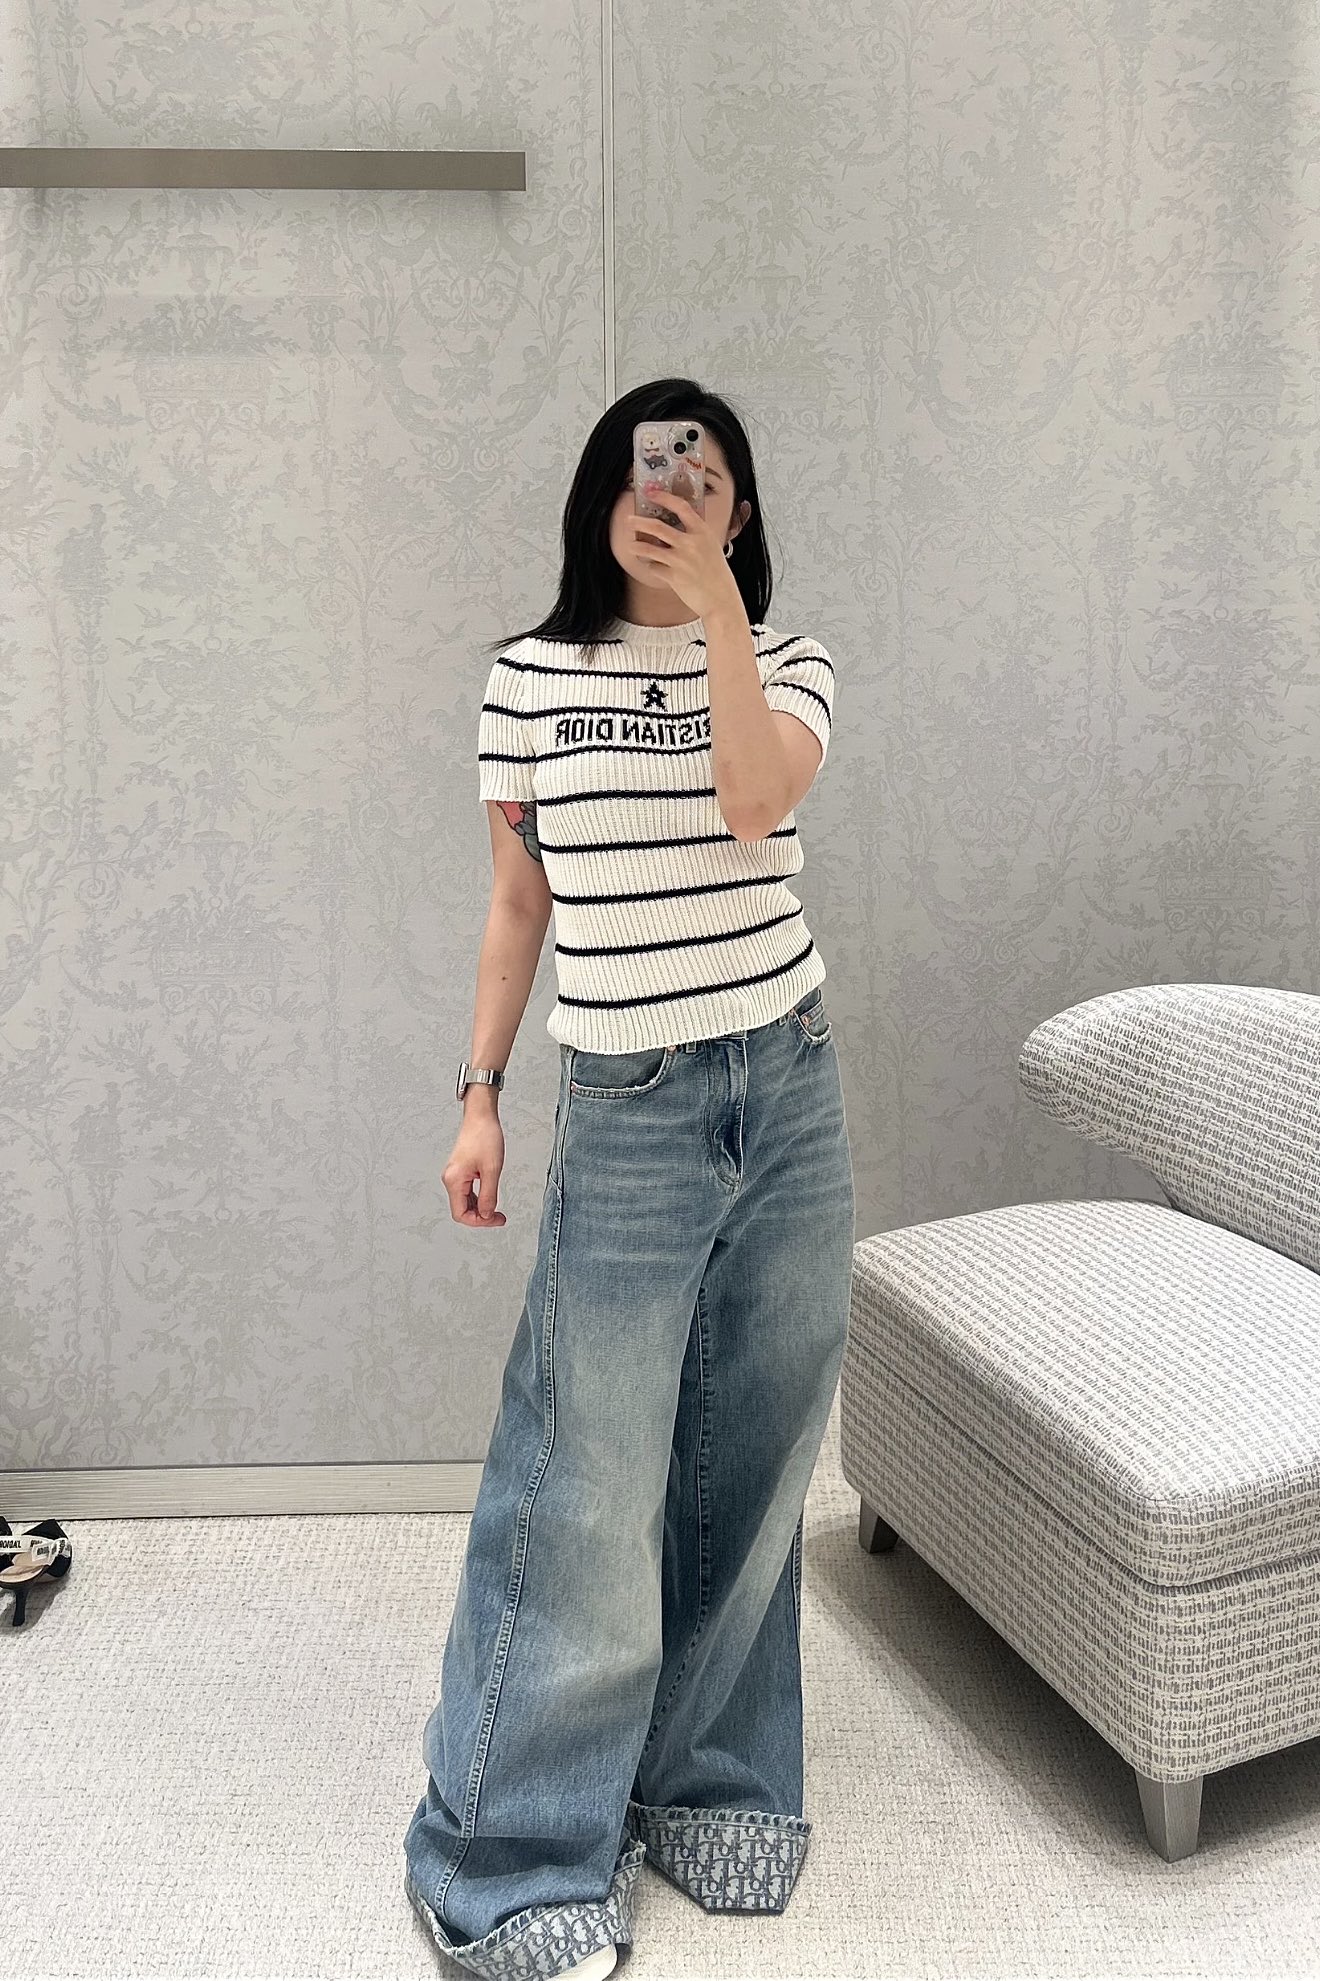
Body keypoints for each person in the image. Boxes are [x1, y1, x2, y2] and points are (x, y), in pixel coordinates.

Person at [402, 378, 855, 1981]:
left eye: (704, 482)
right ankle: (505, 1850)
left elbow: (753, 801)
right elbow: (517, 903)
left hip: (788, 1084)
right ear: (601, 498)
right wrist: (478, 1097)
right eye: (647, 476)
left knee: (758, 1446)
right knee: (584, 1476)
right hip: (632, 1101)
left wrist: (720, 611)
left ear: (743, 513)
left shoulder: (788, 662)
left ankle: (708, 1773)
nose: (671, 500)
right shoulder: (528, 680)